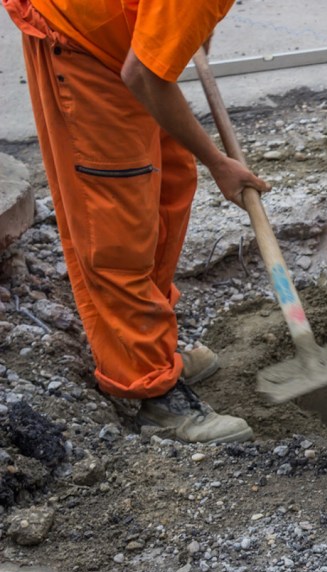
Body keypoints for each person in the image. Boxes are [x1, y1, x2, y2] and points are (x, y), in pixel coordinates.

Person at [3, 0, 271, 443]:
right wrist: (218, 163)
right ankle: (152, 390)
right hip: (78, 44)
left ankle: (152, 345)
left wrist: (183, 35)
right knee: (114, 223)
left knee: (171, 181)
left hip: (120, 38)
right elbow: (142, 75)